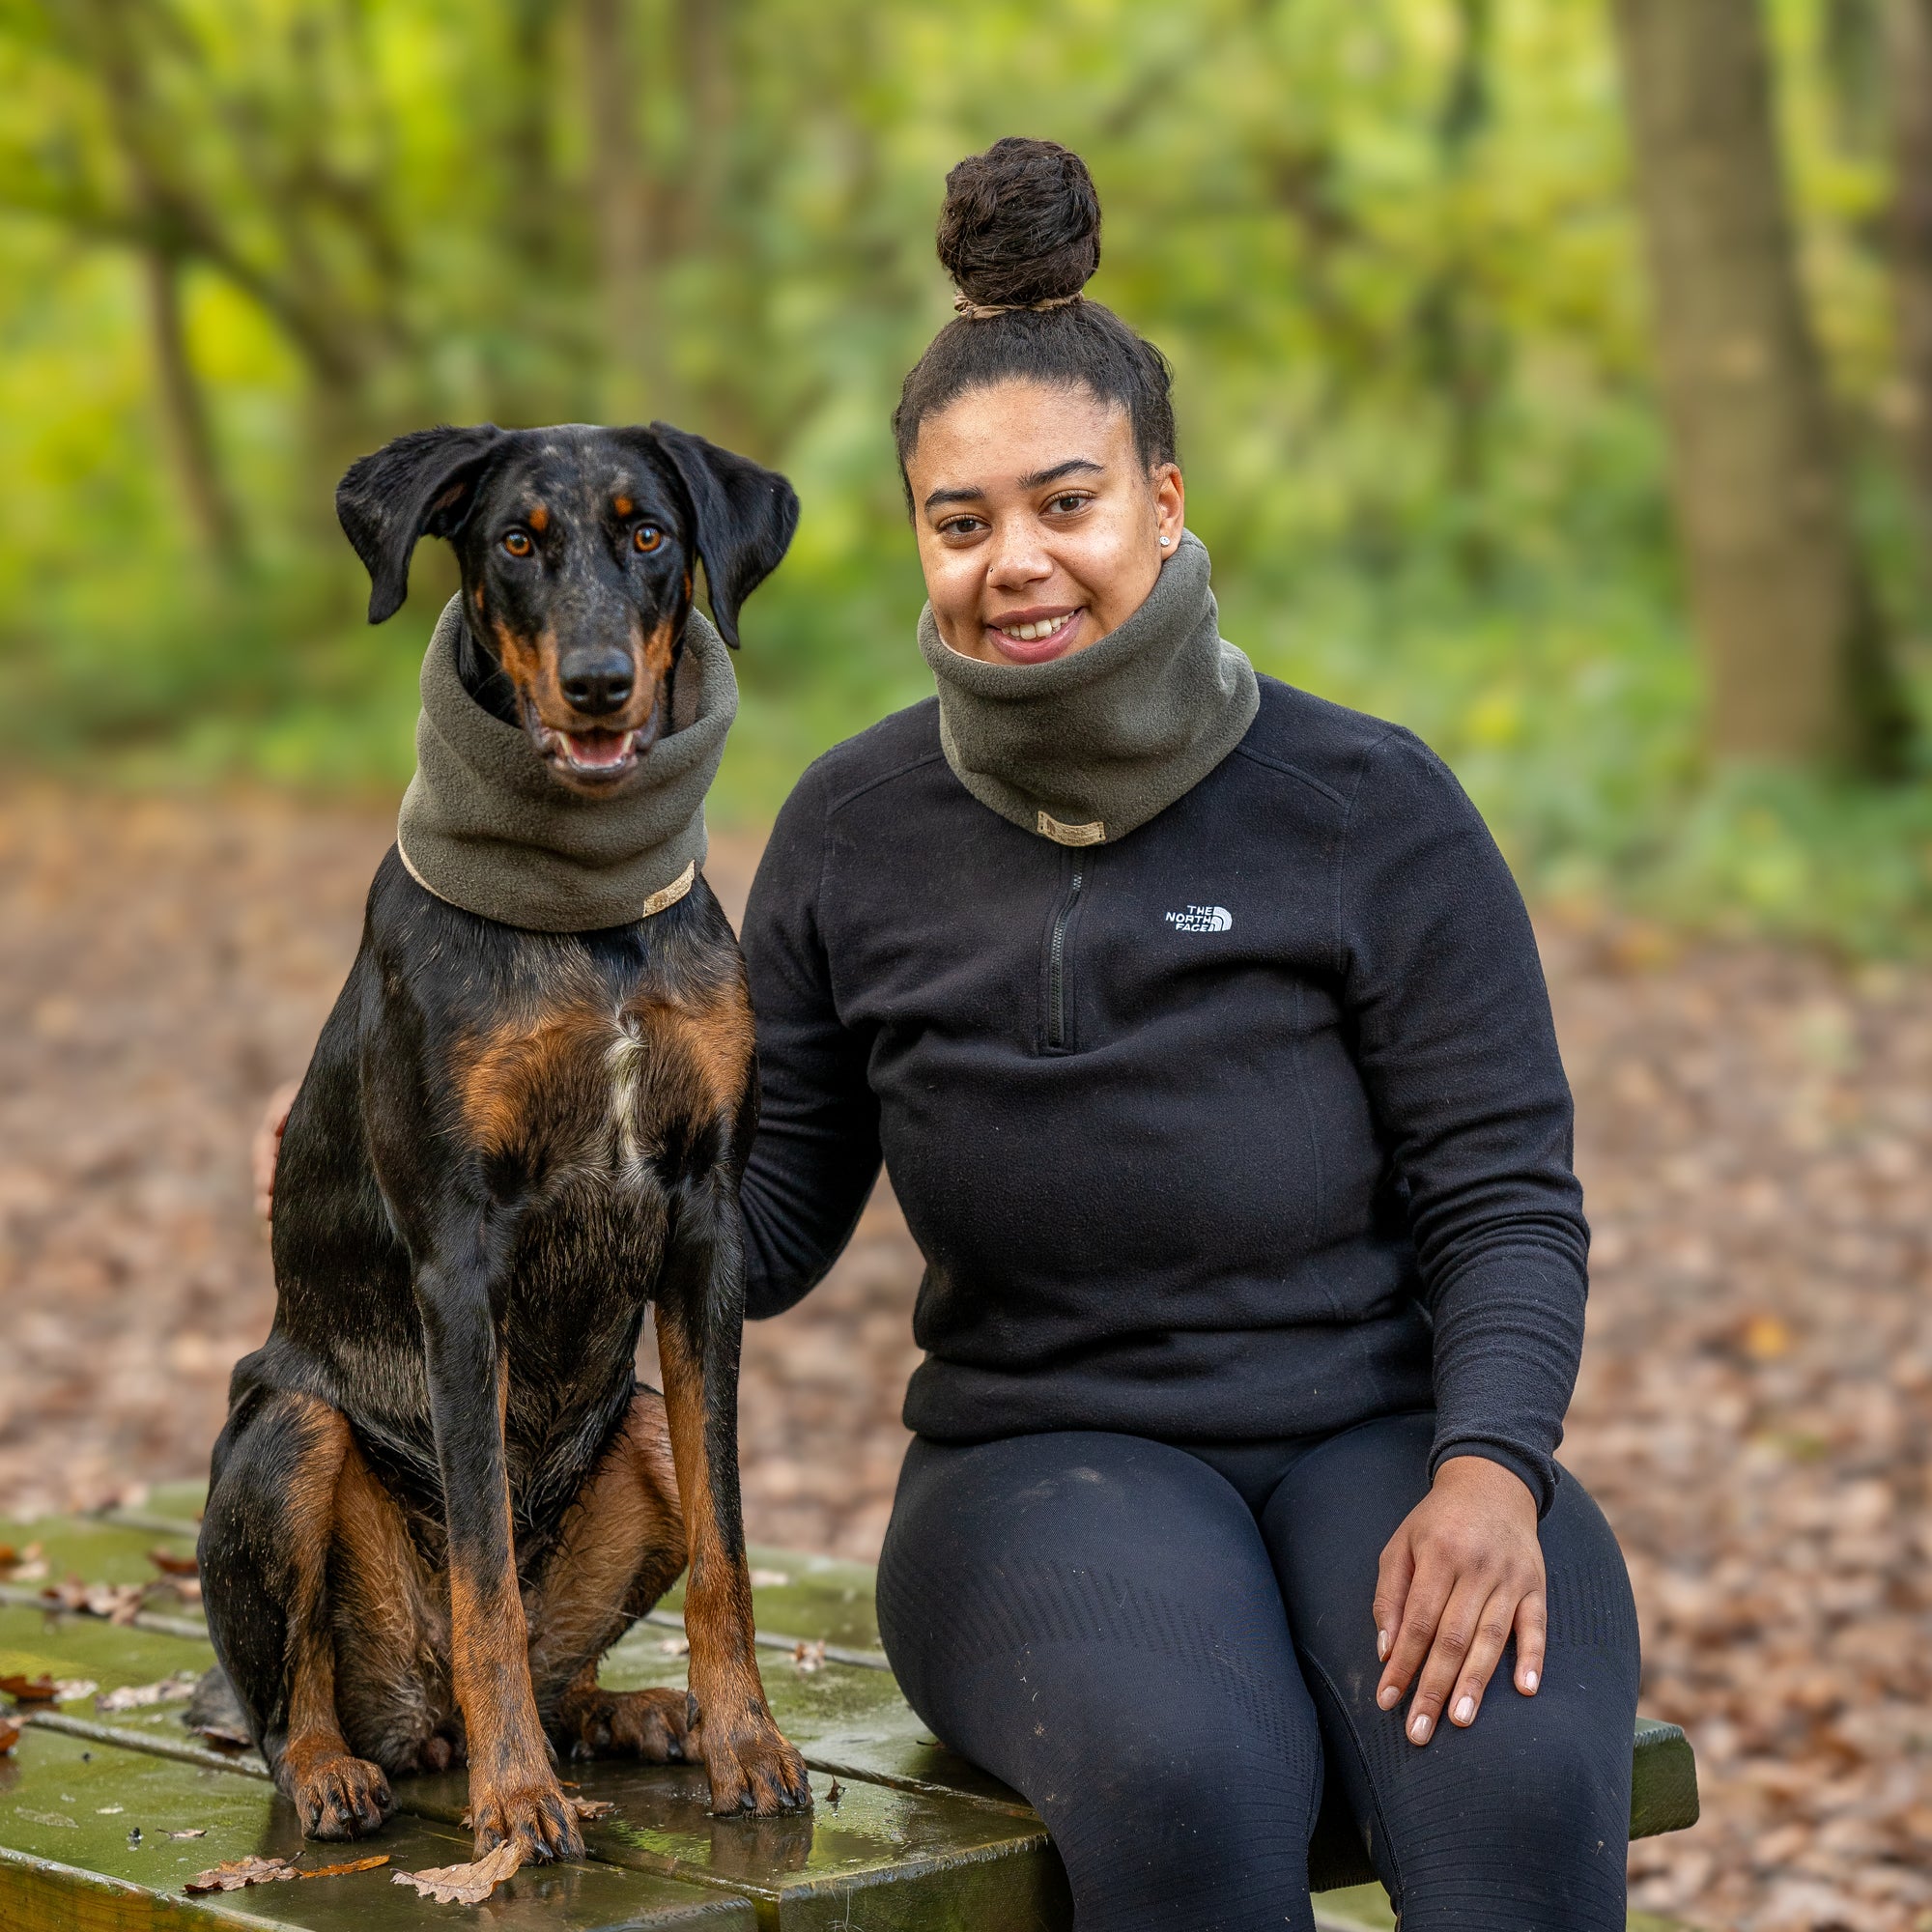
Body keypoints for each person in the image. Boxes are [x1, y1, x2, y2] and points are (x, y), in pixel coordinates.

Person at [261, 136, 1640, 1932]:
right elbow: (741, 1223)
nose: (1019, 564)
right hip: (1041, 1468)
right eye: (962, 520)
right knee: (1187, 1782)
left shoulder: (1367, 805)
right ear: (916, 531)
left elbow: (1509, 1200)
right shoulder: (856, 830)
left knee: (1519, 1794)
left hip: (1391, 1437)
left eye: (1066, 504)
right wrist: (399, 1188)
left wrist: (1488, 1473)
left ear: (1161, 496)